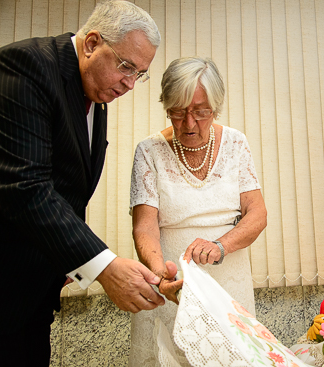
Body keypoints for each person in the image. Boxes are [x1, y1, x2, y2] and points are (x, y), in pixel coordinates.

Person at [0, 1, 169, 365]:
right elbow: (27, 188)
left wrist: (66, 260)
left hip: (33, 292)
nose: (130, 84)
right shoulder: (27, 66)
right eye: (126, 67)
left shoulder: (95, 92)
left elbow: (69, 190)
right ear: (92, 43)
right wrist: (103, 266)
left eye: (140, 74)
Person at [128, 56, 267, 366]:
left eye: (200, 112)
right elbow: (145, 227)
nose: (189, 124)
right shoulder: (148, 151)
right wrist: (160, 272)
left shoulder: (236, 143)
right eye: (177, 112)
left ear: (215, 107)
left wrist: (220, 246)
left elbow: (257, 214)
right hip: (172, 288)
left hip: (229, 288)